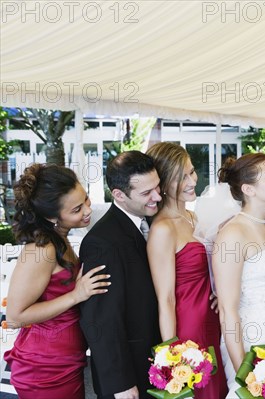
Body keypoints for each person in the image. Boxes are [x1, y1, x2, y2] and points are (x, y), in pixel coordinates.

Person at [4, 164, 109, 399]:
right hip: (45, 370)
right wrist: (75, 295)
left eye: (86, 200)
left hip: (64, 361)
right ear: (52, 217)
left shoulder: (60, 241)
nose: (87, 210)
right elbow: (14, 316)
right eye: (77, 209)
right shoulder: (42, 250)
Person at [146, 142, 227, 399]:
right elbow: (166, 299)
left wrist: (218, 292)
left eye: (191, 172)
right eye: (182, 176)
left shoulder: (193, 217)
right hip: (188, 327)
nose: (193, 179)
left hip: (212, 319)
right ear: (165, 182)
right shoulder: (162, 229)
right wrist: (171, 358)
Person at [79, 151, 162, 399]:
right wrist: (120, 383)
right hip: (129, 373)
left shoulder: (151, 219)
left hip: (155, 362)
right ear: (119, 195)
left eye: (157, 187)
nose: (157, 197)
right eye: (146, 193)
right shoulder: (102, 242)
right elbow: (101, 320)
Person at [211, 153, 265, 396]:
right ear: (249, 189)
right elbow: (227, 310)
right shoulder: (232, 234)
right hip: (251, 340)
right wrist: (244, 374)